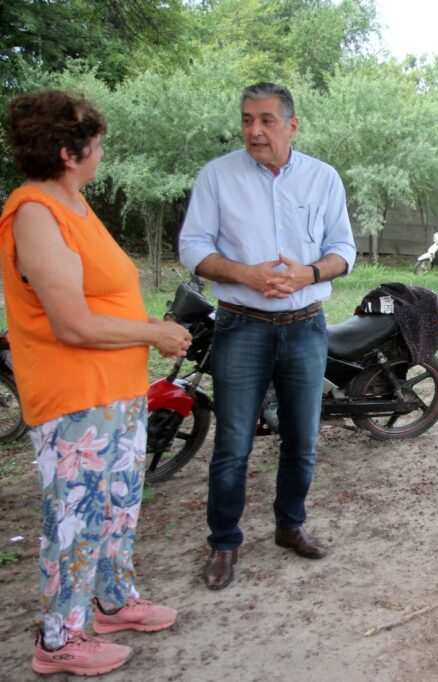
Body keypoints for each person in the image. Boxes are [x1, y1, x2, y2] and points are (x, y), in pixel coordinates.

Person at [1, 90, 192, 676]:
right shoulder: (34, 212)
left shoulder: (73, 203)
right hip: (74, 400)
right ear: (68, 151)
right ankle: (58, 641)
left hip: (115, 393)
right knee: (75, 518)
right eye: (97, 142)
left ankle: (111, 603)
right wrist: (152, 332)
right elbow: (73, 323)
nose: (103, 150)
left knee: (116, 507)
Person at [178, 82, 356, 590]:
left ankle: (289, 526)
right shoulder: (218, 176)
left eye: (266, 120)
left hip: (305, 328)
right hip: (240, 324)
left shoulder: (323, 179)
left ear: (291, 125)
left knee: (303, 439)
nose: (254, 130)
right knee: (233, 442)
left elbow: (344, 248)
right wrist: (244, 274)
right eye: (246, 119)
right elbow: (193, 246)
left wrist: (311, 273)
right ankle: (223, 543)